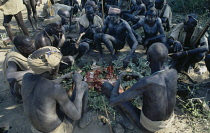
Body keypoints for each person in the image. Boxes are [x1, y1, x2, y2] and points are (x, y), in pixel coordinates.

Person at [102, 43, 177, 132]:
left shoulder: (146, 82)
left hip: (150, 127)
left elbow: (113, 101)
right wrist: (139, 79)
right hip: (168, 121)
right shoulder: (173, 73)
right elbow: (157, 84)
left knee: (106, 86)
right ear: (166, 57)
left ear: (148, 58)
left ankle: (126, 121)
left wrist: (119, 79)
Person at [21, 46, 91, 133]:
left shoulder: (26, 78)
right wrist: (78, 83)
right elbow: (76, 116)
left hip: (36, 130)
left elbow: (43, 86)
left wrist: (63, 77)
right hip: (56, 130)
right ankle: (83, 120)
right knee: (83, 86)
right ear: (52, 69)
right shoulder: (55, 88)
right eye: (59, 64)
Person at [3, 35, 36, 102]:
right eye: (30, 46)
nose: (33, 47)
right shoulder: (13, 59)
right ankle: (18, 95)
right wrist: (33, 70)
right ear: (21, 48)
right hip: (18, 87)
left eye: (32, 44)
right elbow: (10, 77)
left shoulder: (24, 50)